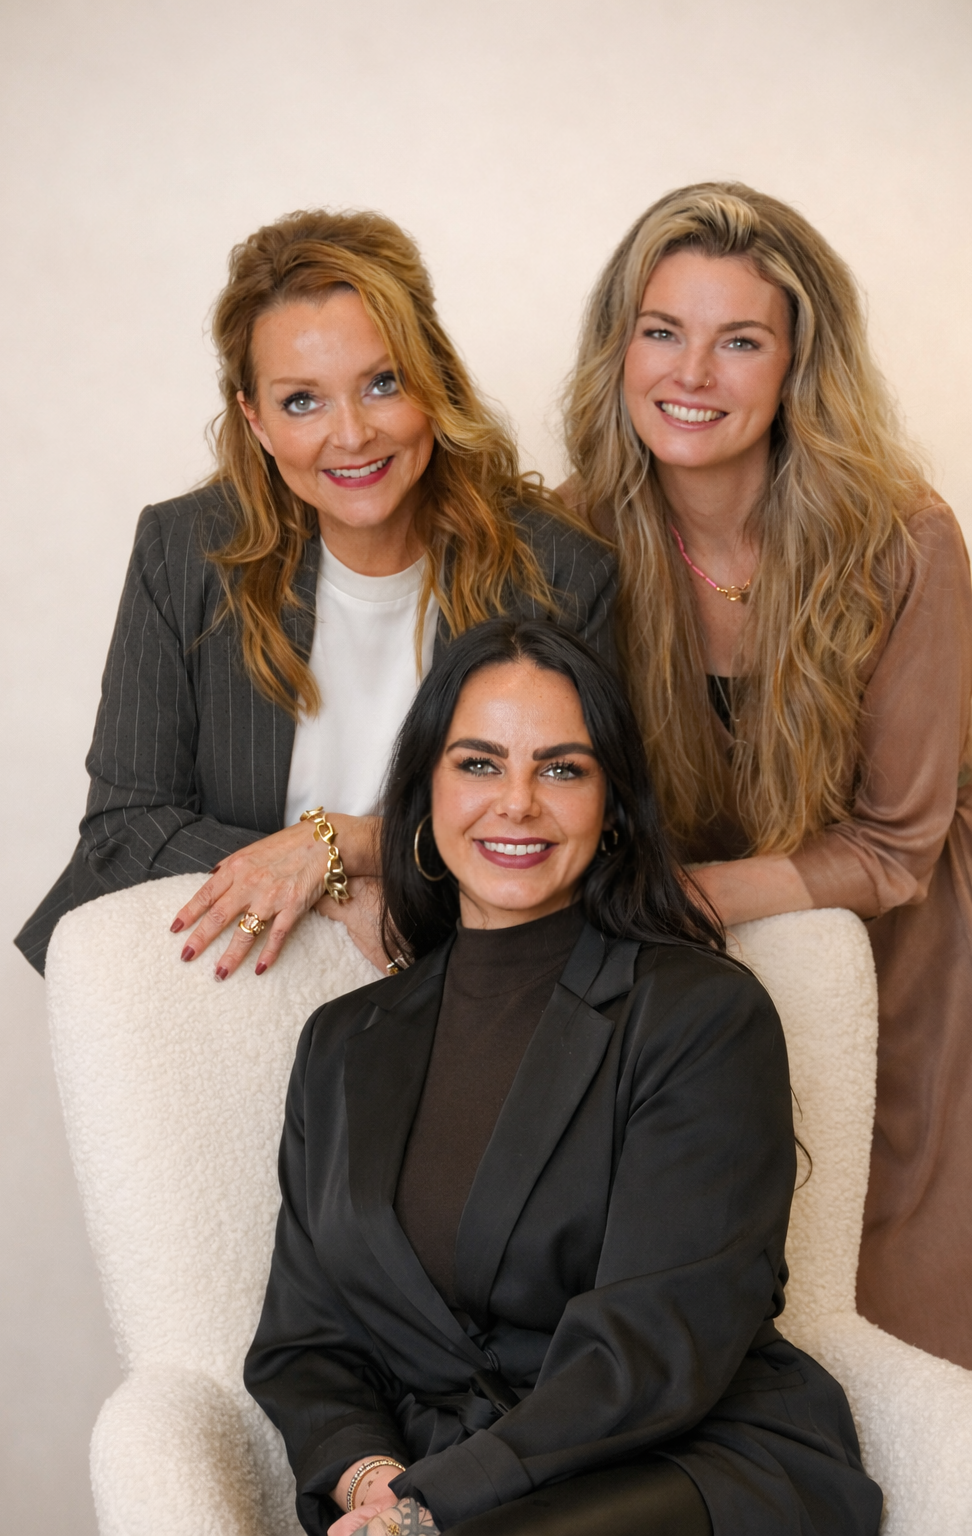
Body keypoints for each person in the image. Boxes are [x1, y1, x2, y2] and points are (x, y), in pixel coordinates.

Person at [245, 618, 881, 1536]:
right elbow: (306, 1343)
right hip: (439, 1494)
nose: (517, 803)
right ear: (424, 793)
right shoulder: (342, 1046)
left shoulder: (702, 1015)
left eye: (561, 769)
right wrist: (374, 1485)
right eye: (478, 764)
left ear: (612, 806)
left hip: (690, 1465)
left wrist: (434, 1503)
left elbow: (656, 1343)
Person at [560, 180, 972, 1370]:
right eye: (662, 331)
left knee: (896, 1322)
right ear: (620, 347)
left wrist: (670, 899)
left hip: (904, 959)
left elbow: (895, 846)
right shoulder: (573, 538)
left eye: (739, 340)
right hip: (684, 977)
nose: (691, 373)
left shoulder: (902, 542)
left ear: (797, 366)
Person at [14, 209, 616, 978]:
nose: (353, 434)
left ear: (433, 380)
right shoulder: (184, 551)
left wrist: (350, 843)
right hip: (228, 975)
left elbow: (591, 829)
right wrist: (333, 884)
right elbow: (123, 830)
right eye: (303, 400)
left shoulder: (559, 571)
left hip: (452, 970)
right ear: (256, 420)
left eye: (383, 383)